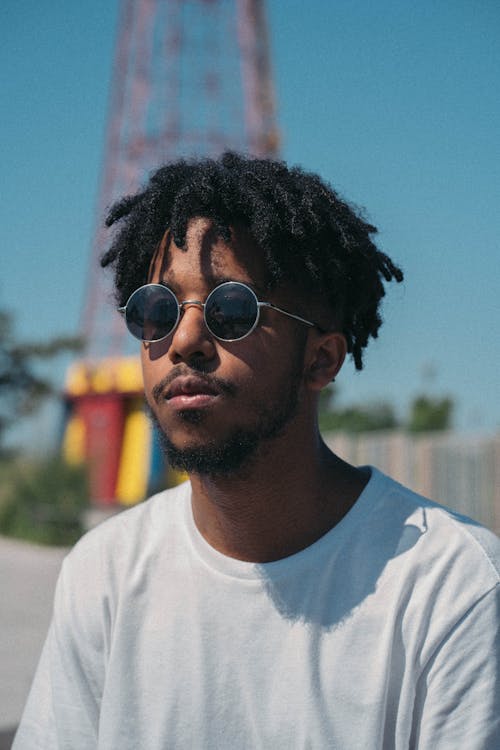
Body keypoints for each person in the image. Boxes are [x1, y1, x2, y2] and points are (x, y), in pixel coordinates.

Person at [14, 153, 499, 749]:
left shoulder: (451, 587)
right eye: (156, 311)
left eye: (232, 310)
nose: (185, 341)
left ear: (320, 359)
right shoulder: (104, 573)